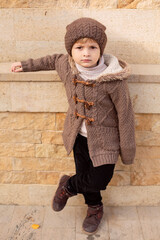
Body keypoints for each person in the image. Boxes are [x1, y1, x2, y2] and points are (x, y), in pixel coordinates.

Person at [11, 17, 136, 235]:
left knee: (100, 177)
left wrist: (127, 150)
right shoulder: (67, 67)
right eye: (79, 47)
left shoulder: (113, 80)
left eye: (92, 47)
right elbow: (51, 60)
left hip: (107, 141)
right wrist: (25, 65)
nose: (85, 53)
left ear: (101, 49)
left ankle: (67, 186)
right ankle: (94, 209)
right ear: (71, 50)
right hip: (78, 136)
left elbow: (125, 115)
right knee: (85, 173)